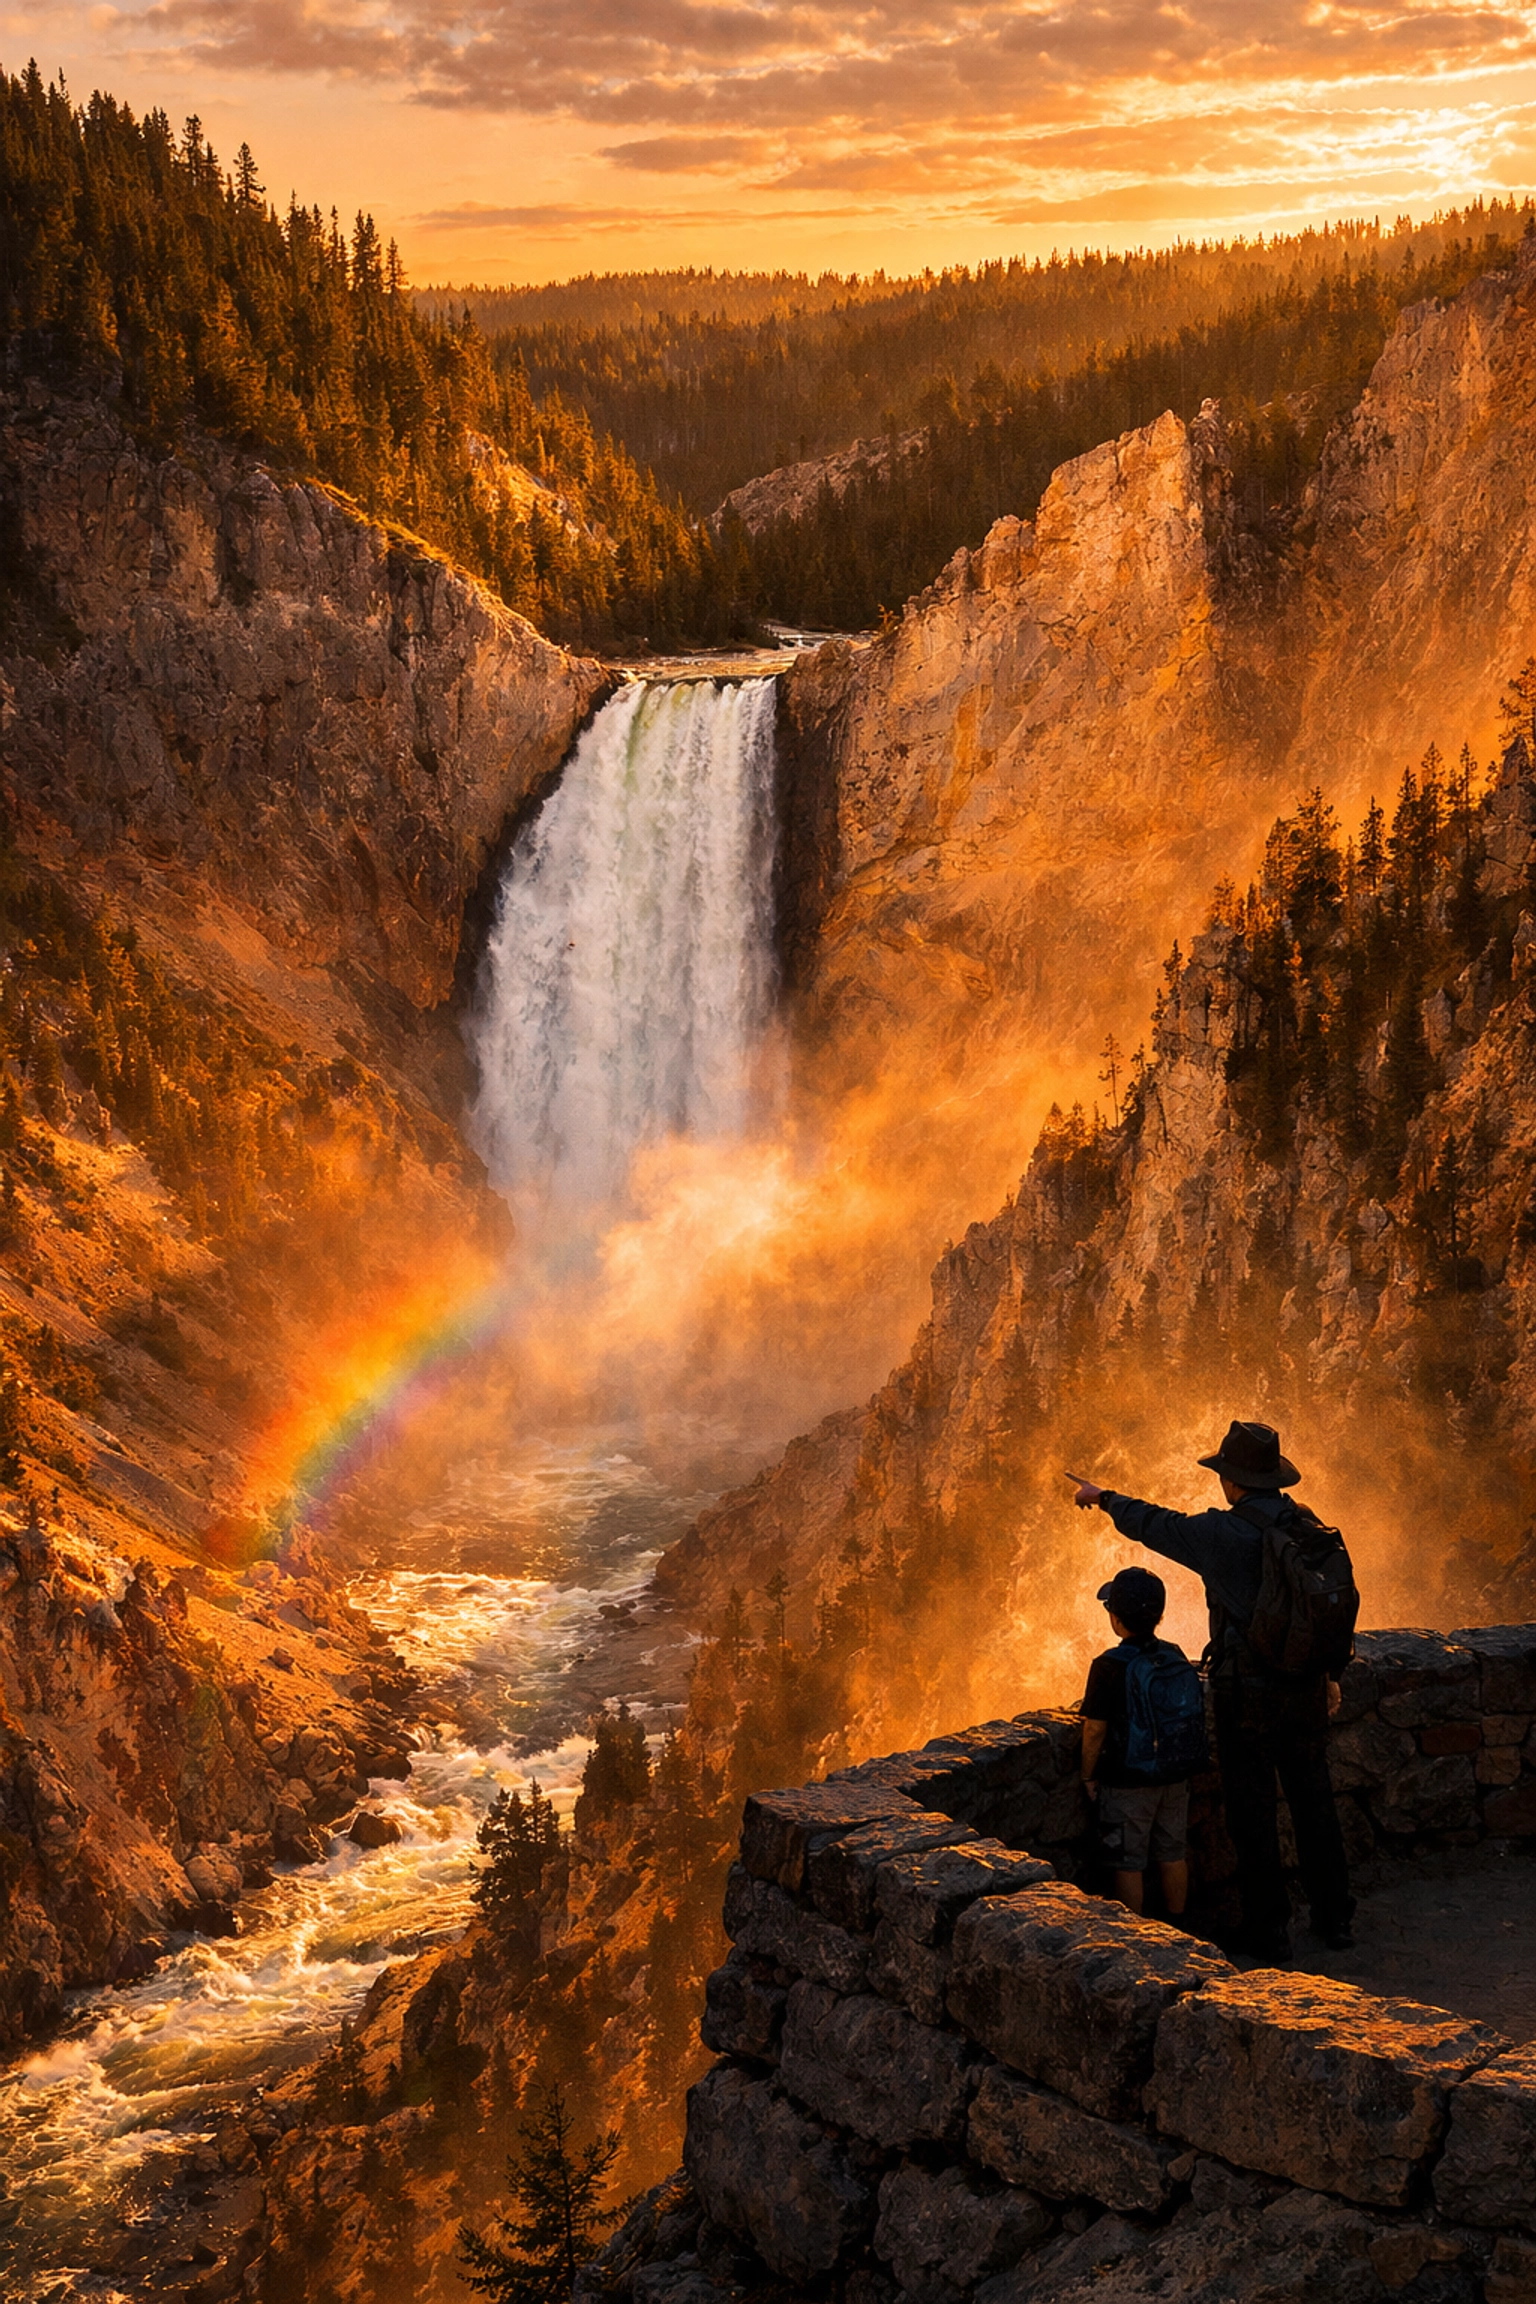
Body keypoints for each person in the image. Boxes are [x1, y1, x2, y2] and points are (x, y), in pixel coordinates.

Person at [1074, 1418, 1355, 1961]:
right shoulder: (1306, 1525)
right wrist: (1331, 1674)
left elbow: (1155, 1524)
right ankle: (1335, 1917)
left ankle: (1269, 1932)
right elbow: (1326, 1610)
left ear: (1232, 1480)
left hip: (1246, 1695)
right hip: (1304, 1690)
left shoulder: (1223, 1535)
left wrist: (1102, 1496)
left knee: (1251, 1816)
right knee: (1314, 1803)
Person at [1079, 1565, 1195, 1921]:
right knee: (1173, 1854)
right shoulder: (1174, 1654)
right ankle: (1178, 1927)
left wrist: (1088, 1776)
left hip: (1125, 1784)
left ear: (1115, 1619)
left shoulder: (1108, 1665)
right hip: (1174, 1777)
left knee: (1126, 1864)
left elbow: (1094, 1731)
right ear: (1159, 1615)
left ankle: (1139, 1938)